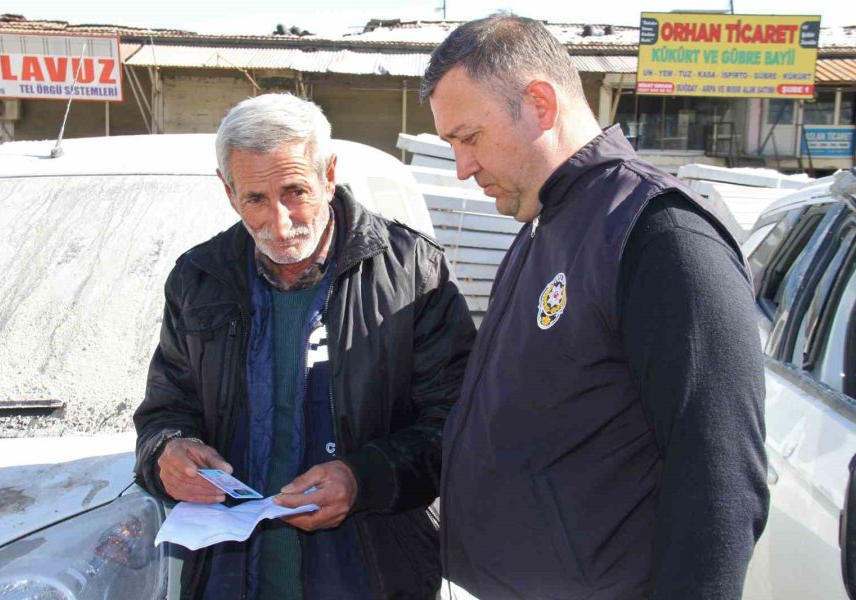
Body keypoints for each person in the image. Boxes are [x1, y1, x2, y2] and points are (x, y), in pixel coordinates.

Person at [421, 14, 769, 600]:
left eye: (470, 137)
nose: (462, 168)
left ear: (540, 104)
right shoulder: (548, 223)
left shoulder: (659, 236)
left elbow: (721, 481)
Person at [133, 93, 475, 600]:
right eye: (255, 199)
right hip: (229, 580)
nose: (279, 222)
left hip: (376, 578)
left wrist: (362, 479)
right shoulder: (198, 278)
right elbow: (165, 411)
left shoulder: (413, 274)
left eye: (294, 191)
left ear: (329, 174)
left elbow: (459, 426)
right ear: (228, 192)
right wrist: (168, 451)